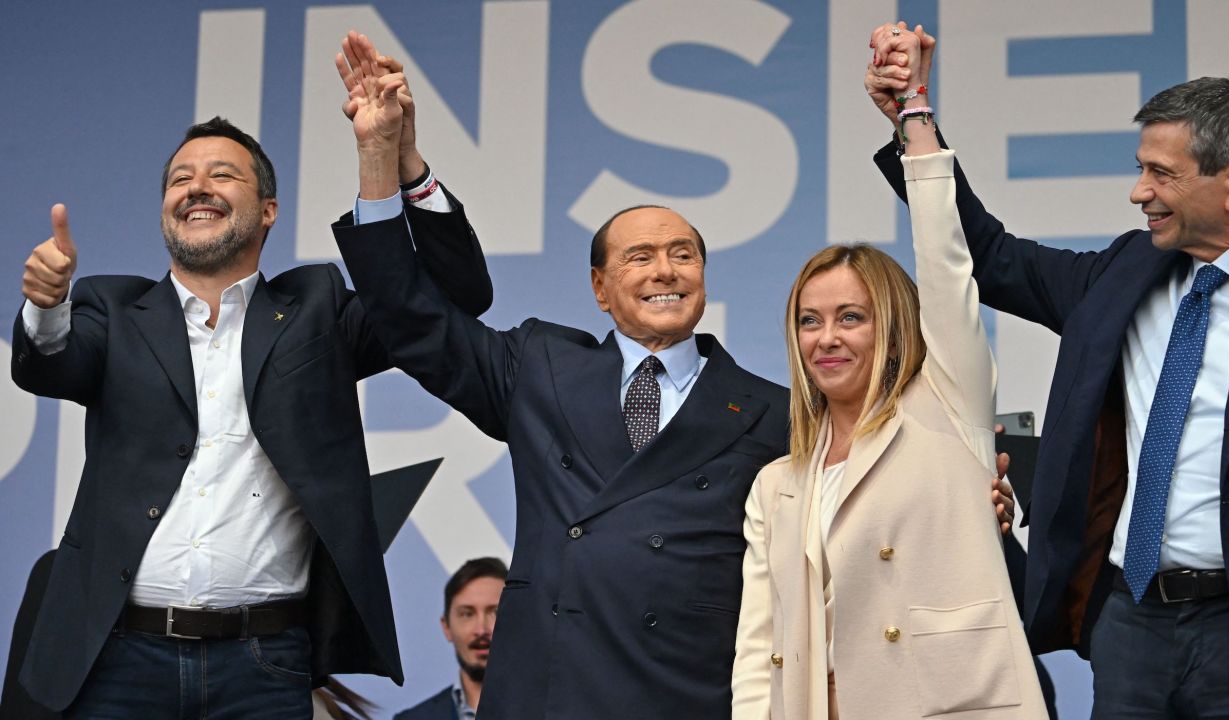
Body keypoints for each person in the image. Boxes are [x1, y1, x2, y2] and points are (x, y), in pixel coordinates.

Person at [330, 32, 1016, 720]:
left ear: (703, 277)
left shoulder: (775, 415)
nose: (665, 269)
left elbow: (853, 541)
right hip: (546, 694)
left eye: (682, 253)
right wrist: (384, 158)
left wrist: (967, 509)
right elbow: (411, 319)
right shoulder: (538, 366)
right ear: (600, 287)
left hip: (689, 698)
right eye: (641, 257)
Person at [10, 110, 492, 717]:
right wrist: (47, 306)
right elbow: (48, 366)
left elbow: (454, 298)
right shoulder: (112, 307)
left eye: (221, 174)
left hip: (263, 666)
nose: (196, 187)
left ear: (268, 209)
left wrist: (401, 166)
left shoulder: (317, 309)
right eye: (180, 179)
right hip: (118, 658)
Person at [870, 22, 1229, 719]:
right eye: (1140, 167)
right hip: (1129, 620)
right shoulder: (1127, 271)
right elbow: (992, 256)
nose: (1137, 191)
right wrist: (914, 120)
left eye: (1161, 174)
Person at [730, 27, 1046, 719]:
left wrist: (914, 111)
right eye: (809, 322)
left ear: (895, 327)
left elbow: (946, 260)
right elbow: (759, 650)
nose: (827, 338)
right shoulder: (778, 485)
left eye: (851, 317)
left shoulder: (946, 408)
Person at [395, 558, 507, 720]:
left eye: (496, 612)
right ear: (446, 627)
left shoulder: (553, 711)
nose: (481, 630)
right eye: (467, 614)